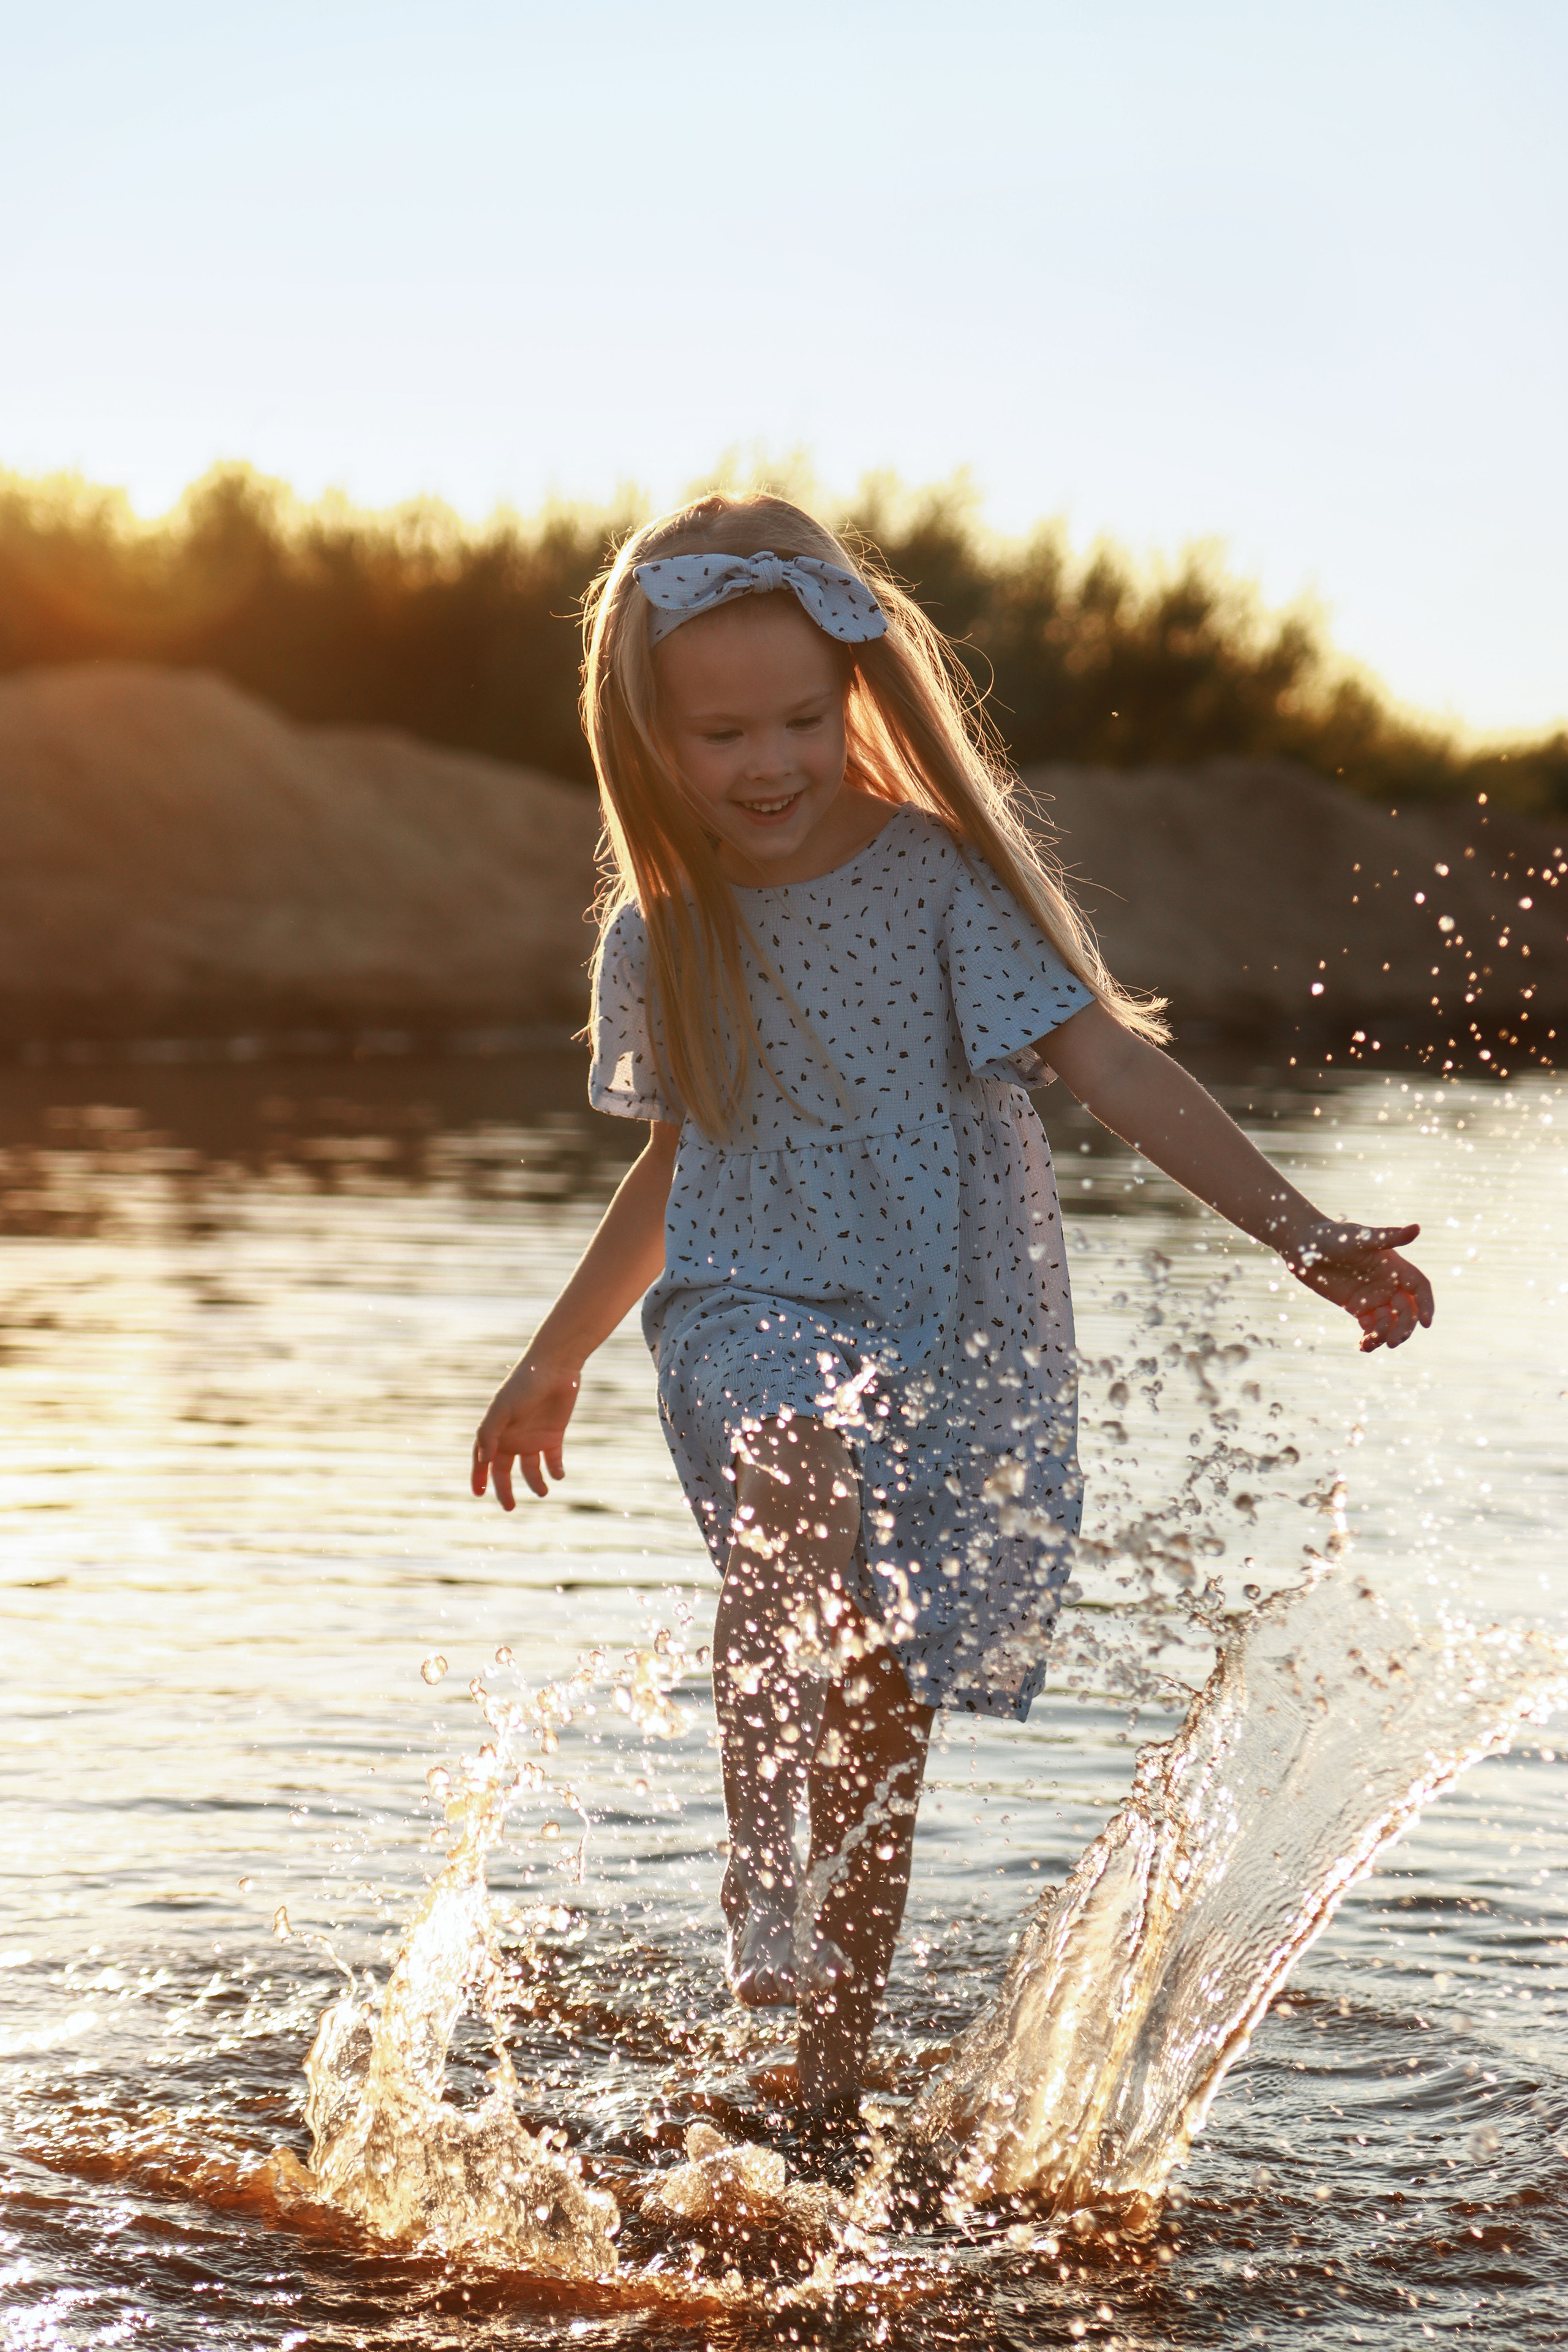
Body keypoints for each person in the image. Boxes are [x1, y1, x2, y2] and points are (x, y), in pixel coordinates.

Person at [470, 493, 1433, 2133]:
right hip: (749, 1303)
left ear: (859, 696)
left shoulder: (932, 882)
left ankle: (828, 2083)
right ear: (649, 737)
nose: (766, 761)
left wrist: (1302, 1233)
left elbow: (1113, 1064)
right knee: (793, 1470)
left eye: (800, 717)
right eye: (721, 732)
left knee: (885, 1709)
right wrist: (553, 1355)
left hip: (941, 1323)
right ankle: (758, 1883)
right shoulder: (669, 928)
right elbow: (680, 1166)